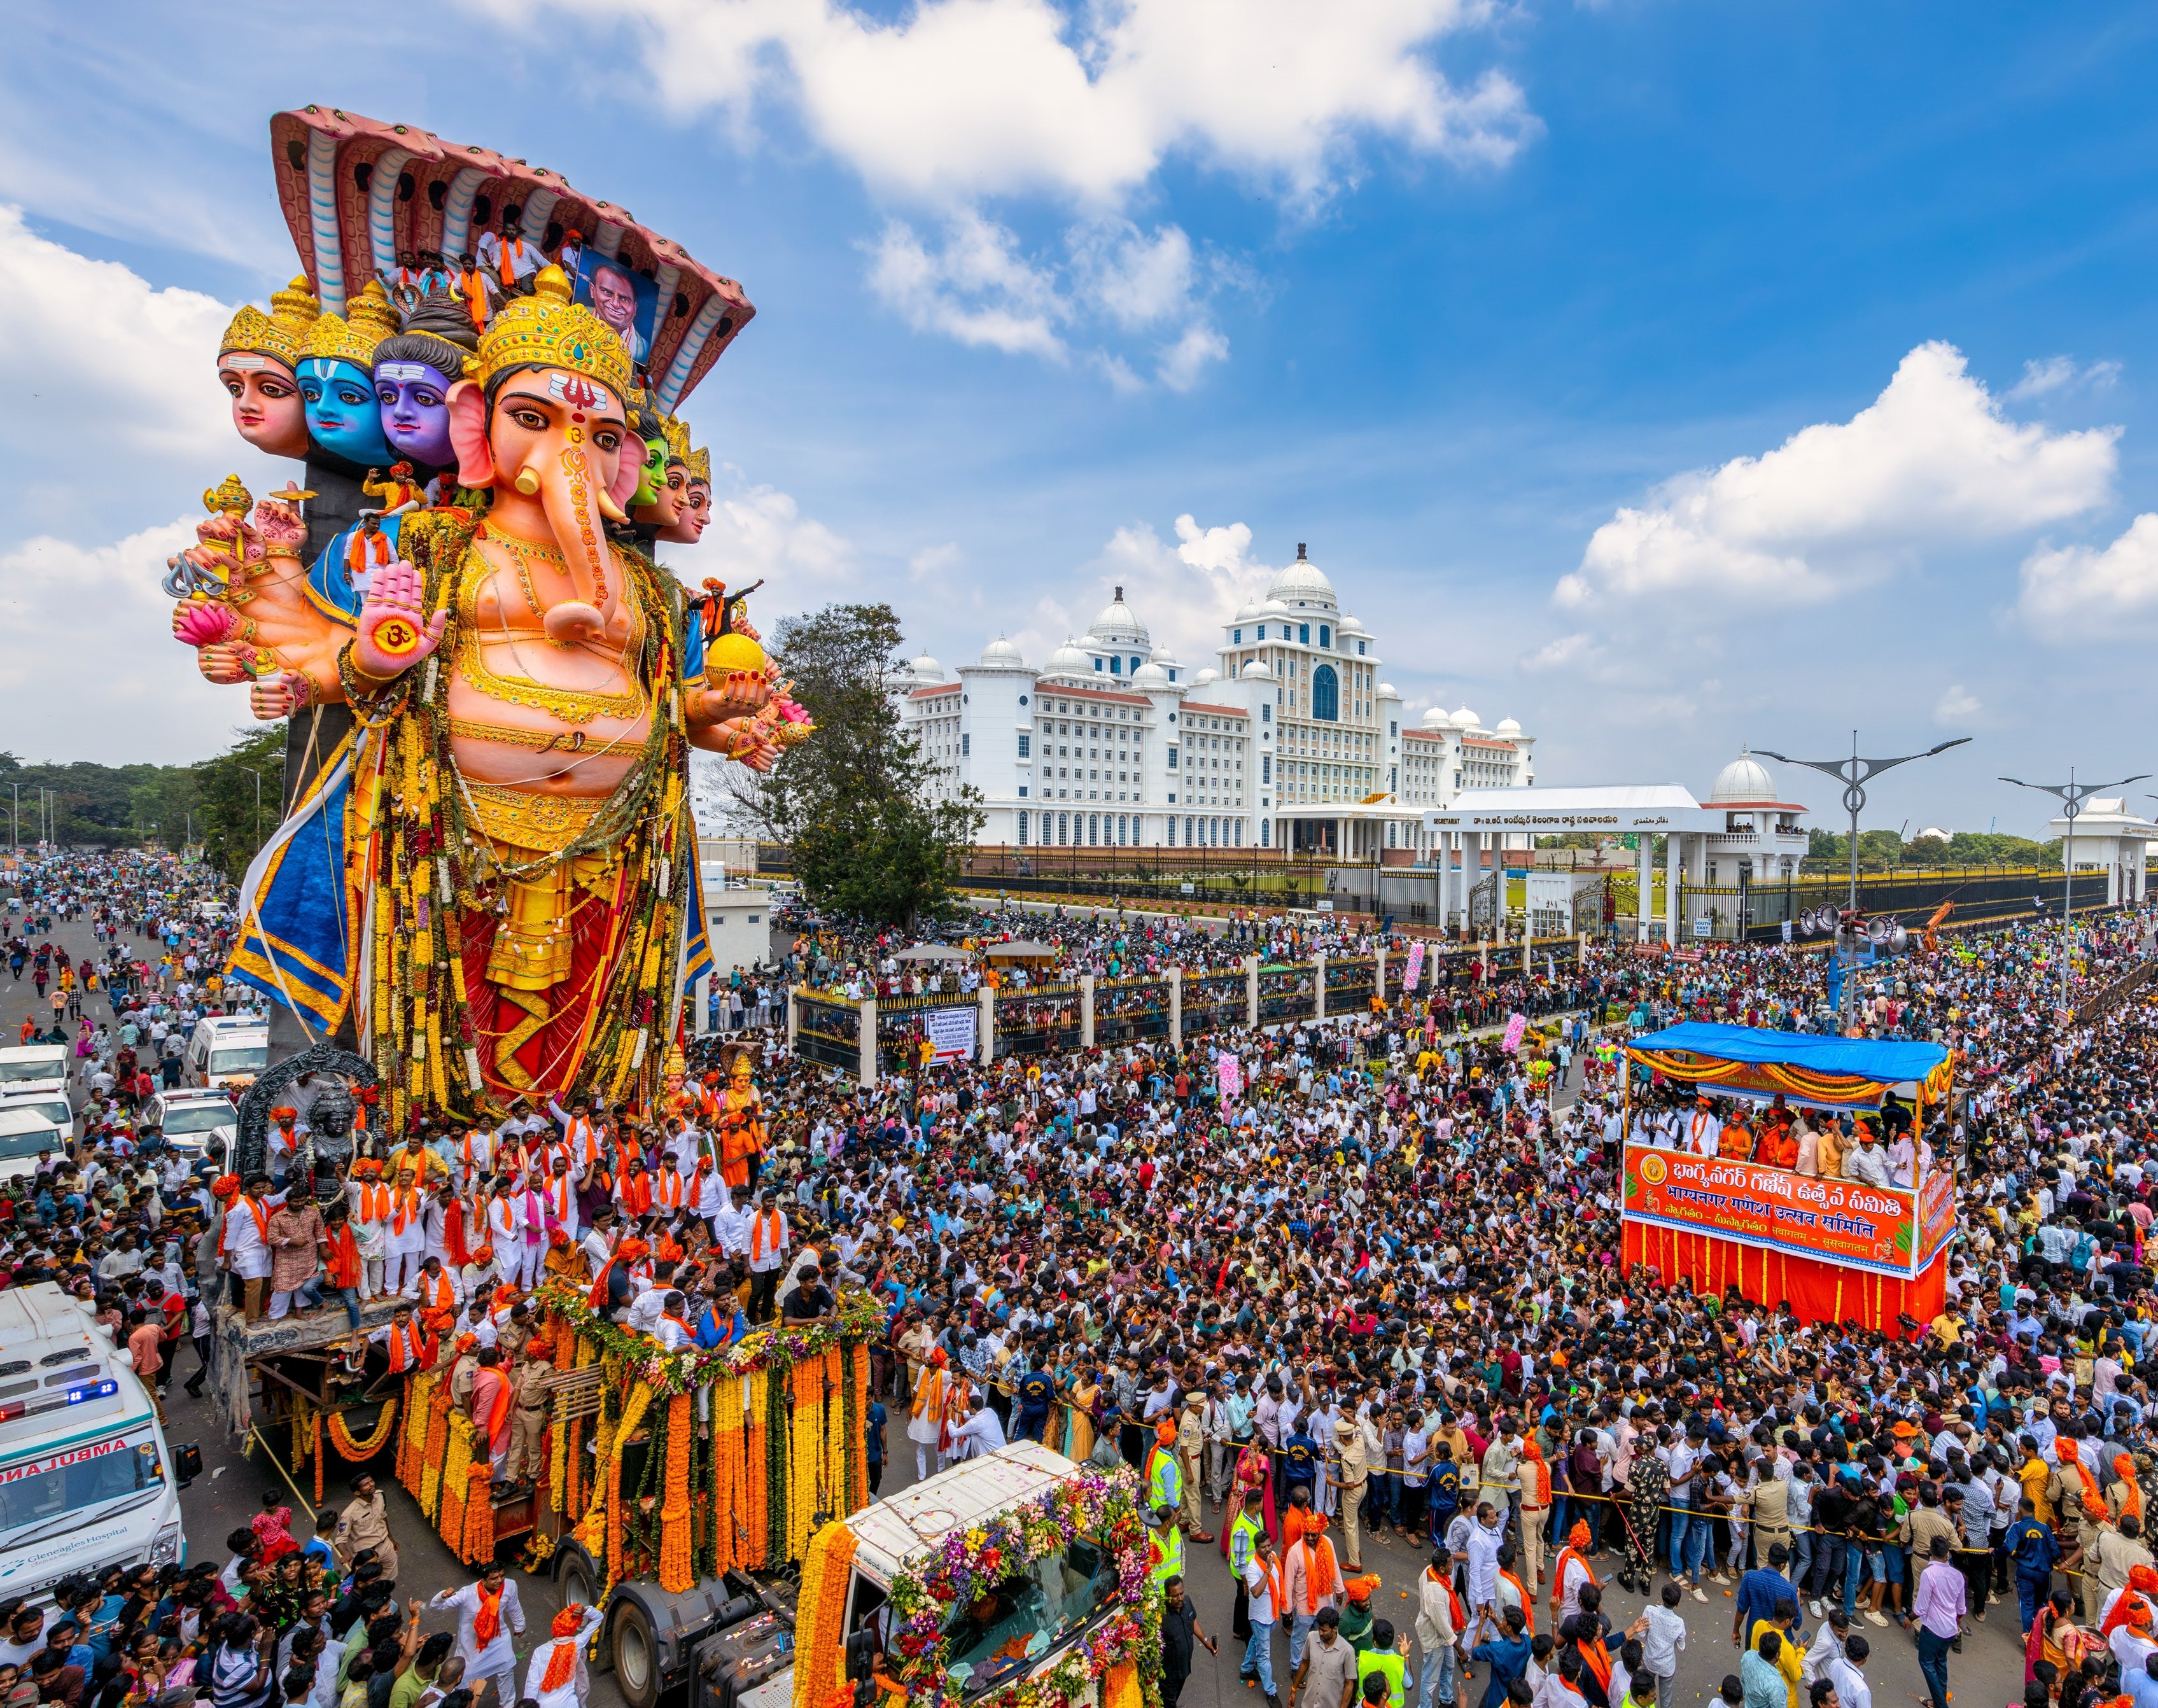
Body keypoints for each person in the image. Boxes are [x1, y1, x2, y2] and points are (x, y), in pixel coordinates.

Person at [428, 1565, 522, 1708]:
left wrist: (520, 1625)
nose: (500, 1580)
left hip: (499, 1641)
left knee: (506, 1671)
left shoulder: (509, 1586)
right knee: (464, 1681)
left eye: (502, 1576)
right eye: (494, 1578)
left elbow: (514, 1606)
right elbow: (436, 1606)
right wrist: (442, 1596)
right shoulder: (467, 1593)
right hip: (472, 1647)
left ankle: (507, 1705)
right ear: (483, 1580)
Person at [1911, 1535, 1965, 1708]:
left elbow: (1920, 1608)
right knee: (1940, 1661)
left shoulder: (1929, 1574)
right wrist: (1955, 1622)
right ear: (1947, 1554)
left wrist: (1909, 1619)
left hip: (1933, 1628)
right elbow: (1961, 1608)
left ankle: (1941, 1704)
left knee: (1926, 1663)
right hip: (1950, 1629)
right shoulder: (1958, 1575)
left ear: (1931, 1552)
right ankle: (1939, 1699)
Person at [520, 1606, 603, 1708]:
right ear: (572, 1630)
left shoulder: (540, 1651)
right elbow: (599, 1617)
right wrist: (585, 1610)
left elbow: (532, 1683)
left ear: (554, 1629)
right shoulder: (576, 1645)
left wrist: (528, 1705)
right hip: (569, 1704)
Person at [1159, 1576, 1216, 1708]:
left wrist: (1206, 1642)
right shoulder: (1160, 1615)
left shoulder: (1188, 1602)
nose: (1180, 1598)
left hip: (1185, 1666)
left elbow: (1193, 1620)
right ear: (1167, 1596)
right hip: (1169, 1673)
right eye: (1175, 1596)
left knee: (1174, 1697)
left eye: (1182, 1593)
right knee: (1168, 1701)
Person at [1245, 1529, 1286, 1708]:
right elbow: (1256, 1592)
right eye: (1263, 1547)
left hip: (1272, 1615)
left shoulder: (1274, 1556)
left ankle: (1246, 1669)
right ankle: (1271, 1691)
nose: (1268, 1550)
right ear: (1256, 1549)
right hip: (1260, 1619)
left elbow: (1280, 1580)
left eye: (1269, 1545)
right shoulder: (1253, 1568)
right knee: (1264, 1656)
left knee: (1256, 1640)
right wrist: (1268, 1571)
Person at [338, 1476, 398, 1589]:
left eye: (371, 1481)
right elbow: (341, 1539)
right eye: (366, 1484)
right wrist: (345, 1553)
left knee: (390, 1577)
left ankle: (382, 1597)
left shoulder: (380, 1495)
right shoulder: (349, 1513)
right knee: (367, 1583)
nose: (371, 1485)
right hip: (367, 1555)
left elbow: (383, 1517)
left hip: (386, 1546)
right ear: (357, 1492)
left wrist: (391, 1538)